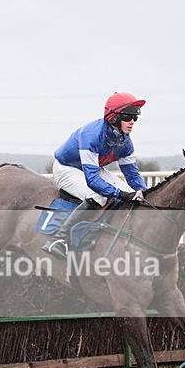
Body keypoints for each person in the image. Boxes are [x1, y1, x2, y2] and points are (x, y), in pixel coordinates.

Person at [42, 92, 149, 258]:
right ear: (114, 117)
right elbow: (92, 181)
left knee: (131, 191)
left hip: (90, 168)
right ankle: (58, 239)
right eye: (129, 116)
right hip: (66, 168)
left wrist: (146, 194)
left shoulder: (126, 142)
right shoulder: (92, 135)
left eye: (136, 116)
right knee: (97, 195)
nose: (133, 121)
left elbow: (133, 177)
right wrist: (120, 194)